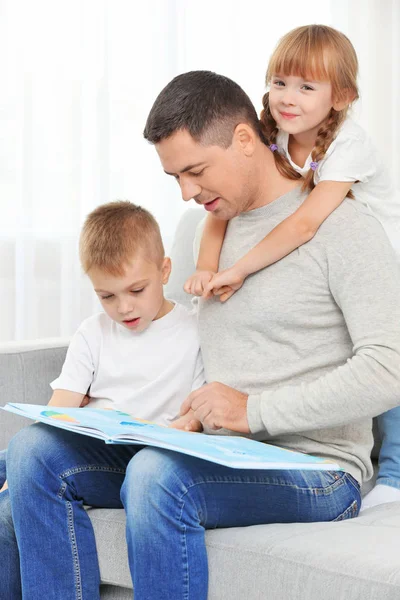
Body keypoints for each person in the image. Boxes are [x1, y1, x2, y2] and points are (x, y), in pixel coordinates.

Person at [2, 70, 400, 600]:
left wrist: (252, 411)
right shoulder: (214, 231)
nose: (187, 193)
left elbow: (389, 369)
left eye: (194, 171)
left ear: (242, 139)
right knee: (33, 453)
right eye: (175, 179)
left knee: (156, 477)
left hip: (316, 469)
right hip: (215, 453)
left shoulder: (345, 228)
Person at [183, 25, 400, 512]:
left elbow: (304, 224)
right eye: (279, 82)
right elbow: (225, 207)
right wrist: (205, 263)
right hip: (326, 242)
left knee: (387, 376)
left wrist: (238, 270)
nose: (287, 97)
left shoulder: (350, 146)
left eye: (306, 87)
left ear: (341, 97)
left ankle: (394, 473)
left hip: (382, 253)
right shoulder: (273, 135)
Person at [0, 200, 203, 599]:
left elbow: (196, 416)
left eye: (136, 290)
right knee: (12, 485)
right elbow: (59, 411)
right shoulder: (93, 333)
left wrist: (188, 424)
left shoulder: (194, 331)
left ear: (165, 270)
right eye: (107, 296)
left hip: (145, 457)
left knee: (20, 460)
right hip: (91, 449)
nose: (124, 307)